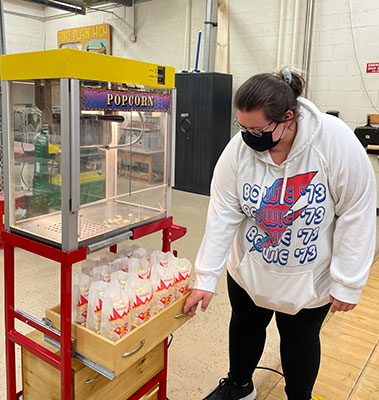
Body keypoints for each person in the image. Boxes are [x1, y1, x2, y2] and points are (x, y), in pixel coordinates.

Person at [183, 69, 376, 400]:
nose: (248, 136)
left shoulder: (333, 141)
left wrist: (348, 281)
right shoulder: (239, 151)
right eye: (242, 127)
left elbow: (357, 212)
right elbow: (223, 213)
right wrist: (205, 277)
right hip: (251, 267)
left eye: (257, 129)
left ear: (288, 118)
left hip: (307, 276)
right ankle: (240, 386)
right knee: (245, 326)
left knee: (299, 340)